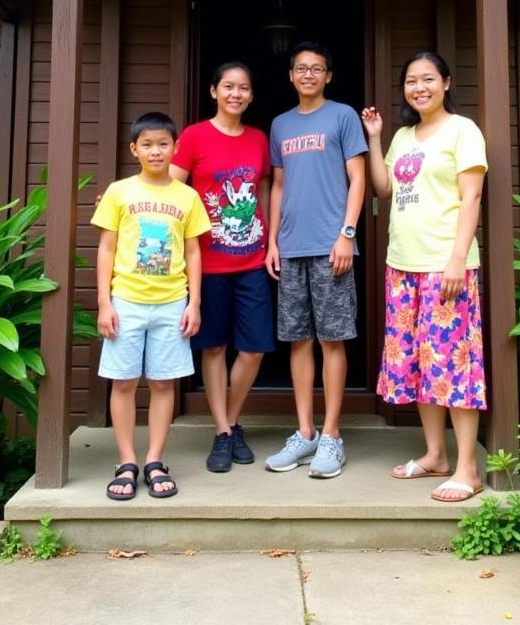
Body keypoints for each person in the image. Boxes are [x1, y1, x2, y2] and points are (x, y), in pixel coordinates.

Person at [361, 51, 488, 503]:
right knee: (420, 364)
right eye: (412, 81)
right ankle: (435, 454)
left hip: (445, 265)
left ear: (447, 83)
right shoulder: (403, 136)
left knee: (453, 365)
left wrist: (457, 259)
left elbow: (471, 198)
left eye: (428, 79)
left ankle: (468, 467)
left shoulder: (463, 130)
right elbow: (383, 188)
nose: (420, 87)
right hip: (403, 264)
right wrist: (375, 139)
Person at [92, 111, 211, 501]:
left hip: (171, 304)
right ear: (134, 149)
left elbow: (194, 252)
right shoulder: (119, 191)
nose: (156, 151)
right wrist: (104, 302)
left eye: (163, 144)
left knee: (163, 383)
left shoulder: (187, 196)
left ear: (175, 148)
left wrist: (194, 302)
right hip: (126, 301)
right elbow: (106, 247)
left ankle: (155, 460)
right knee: (123, 383)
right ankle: (126, 462)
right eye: (147, 144)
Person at [264, 41, 367, 479]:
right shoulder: (280, 124)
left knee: (333, 339)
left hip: (332, 249)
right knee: (298, 340)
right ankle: (304, 432)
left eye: (317, 68)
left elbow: (358, 177)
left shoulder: (342, 116)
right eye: (301, 68)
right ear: (290, 76)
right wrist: (272, 242)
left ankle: (331, 436)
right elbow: (279, 186)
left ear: (329, 75)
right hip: (291, 248)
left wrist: (347, 234)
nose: (308, 74)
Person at [170, 62, 274, 472]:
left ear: (250, 95)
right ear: (213, 91)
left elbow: (263, 186)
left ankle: (230, 421)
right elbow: (172, 186)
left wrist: (271, 240)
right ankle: (222, 431)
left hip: (251, 257)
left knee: (252, 348)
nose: (236, 94)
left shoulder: (258, 138)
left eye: (243, 88)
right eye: (228, 86)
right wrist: (125, 197)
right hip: (208, 261)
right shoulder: (195, 136)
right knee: (213, 346)